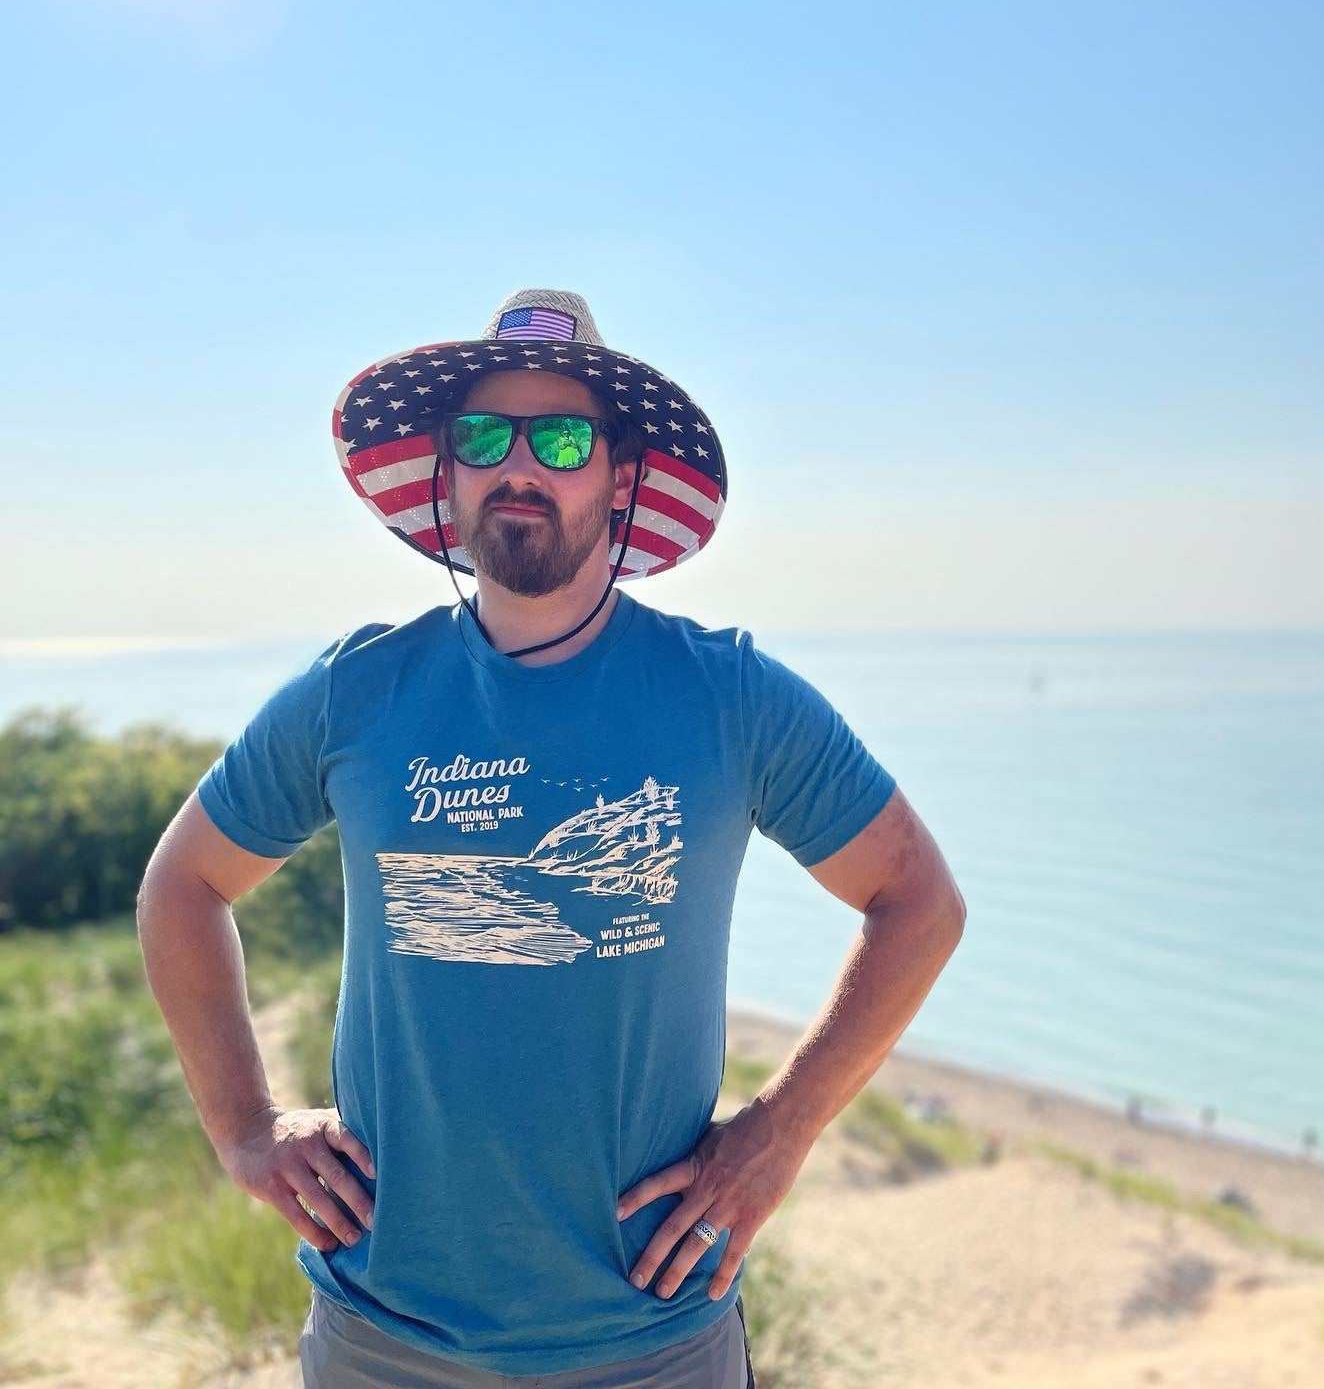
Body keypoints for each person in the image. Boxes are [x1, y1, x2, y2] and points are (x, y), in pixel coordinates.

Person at [136, 288, 967, 1387]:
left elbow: (919, 904)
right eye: (485, 436)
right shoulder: (358, 692)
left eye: (563, 437)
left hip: (651, 1338)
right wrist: (246, 1129)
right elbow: (184, 886)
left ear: (618, 478)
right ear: (450, 471)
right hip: (384, 1335)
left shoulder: (730, 697)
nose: (519, 464)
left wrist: (780, 1130)